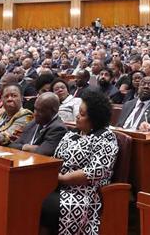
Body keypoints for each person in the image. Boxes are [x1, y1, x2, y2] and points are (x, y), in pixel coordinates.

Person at [38, 89, 118, 235]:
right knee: (30, 197)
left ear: (95, 118)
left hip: (83, 194)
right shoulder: (72, 133)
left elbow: (94, 172)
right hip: (56, 185)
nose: (77, 116)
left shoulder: (106, 138)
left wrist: (61, 179)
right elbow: (57, 158)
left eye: (82, 114)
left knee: (45, 205)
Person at [10, 92, 68, 157]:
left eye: (41, 111)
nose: (35, 114)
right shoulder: (33, 122)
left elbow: (42, 152)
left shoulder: (58, 129)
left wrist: (23, 147)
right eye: (35, 109)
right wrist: (26, 147)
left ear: (54, 110)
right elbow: (13, 145)